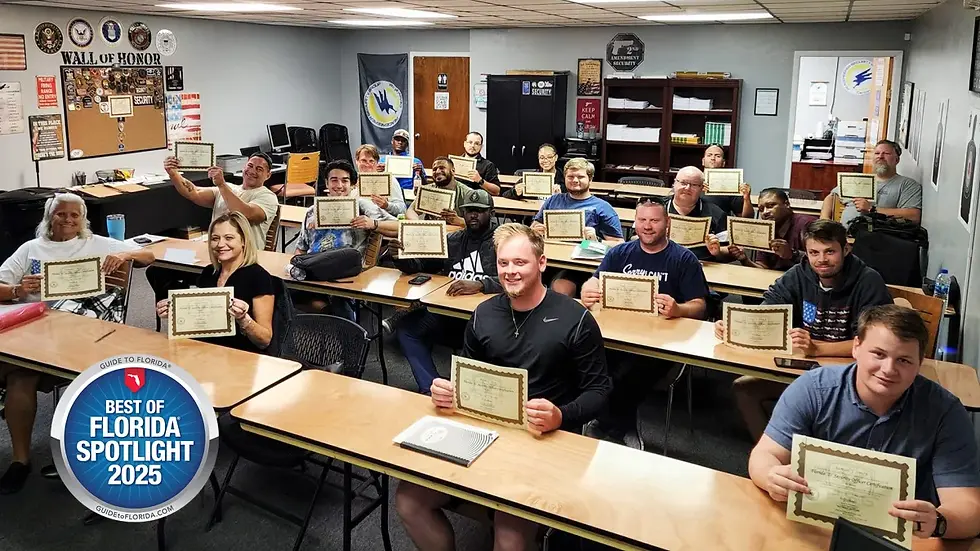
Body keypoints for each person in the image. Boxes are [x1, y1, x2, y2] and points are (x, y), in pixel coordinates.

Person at [395, 223, 612, 551]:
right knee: (409, 500)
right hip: (484, 431)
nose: (510, 272)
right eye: (503, 263)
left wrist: (560, 415)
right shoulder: (483, 313)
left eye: (520, 263)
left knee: (509, 538)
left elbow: (599, 390)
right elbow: (470, 372)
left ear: (541, 263)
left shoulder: (575, 319)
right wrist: (450, 390)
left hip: (541, 441)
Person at [749, 305, 980, 540]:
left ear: (920, 363)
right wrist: (771, 475)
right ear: (856, 347)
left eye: (904, 360)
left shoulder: (945, 412)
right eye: (878, 354)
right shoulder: (813, 389)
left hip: (902, 541)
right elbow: (763, 455)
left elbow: (969, 510)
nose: (888, 370)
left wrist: (938, 522)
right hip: (815, 529)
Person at [0, 193, 155, 494]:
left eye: (75, 215)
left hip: (84, 332)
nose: (68, 220)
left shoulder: (98, 243)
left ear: (83, 219)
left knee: (86, 377)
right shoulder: (31, 249)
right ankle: (20, 460)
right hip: (37, 332)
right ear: (49, 218)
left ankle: (81, 455)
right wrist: (17, 289)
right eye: (61, 215)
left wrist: (125, 256)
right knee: (20, 376)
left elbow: (148, 256)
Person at [716, 219, 893, 441]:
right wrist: (735, 325)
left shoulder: (868, 281)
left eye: (830, 252)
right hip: (803, 370)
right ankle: (773, 455)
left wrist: (817, 348)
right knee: (744, 389)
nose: (822, 260)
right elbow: (768, 309)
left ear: (846, 250)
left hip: (850, 376)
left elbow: (874, 343)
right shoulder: (798, 275)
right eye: (814, 252)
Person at [580, 196, 709, 442]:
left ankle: (610, 427)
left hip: (663, 342)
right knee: (588, 360)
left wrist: (678, 309)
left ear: (667, 223)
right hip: (618, 333)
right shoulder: (619, 253)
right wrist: (588, 288)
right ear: (635, 222)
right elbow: (596, 279)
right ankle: (615, 425)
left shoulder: (683, 259)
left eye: (654, 221)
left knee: (626, 375)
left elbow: (700, 307)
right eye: (642, 220)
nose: (647, 226)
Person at [390, 188, 503, 393]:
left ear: (492, 213)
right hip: (446, 312)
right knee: (408, 330)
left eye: (479, 210)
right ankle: (431, 387)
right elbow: (422, 265)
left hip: (485, 318)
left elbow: (516, 279)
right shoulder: (453, 240)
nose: (473, 215)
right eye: (469, 211)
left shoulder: (503, 242)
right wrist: (400, 258)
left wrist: (482, 284)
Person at [147, 152, 280, 302]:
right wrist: (173, 173)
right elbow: (194, 192)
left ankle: (197, 304)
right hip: (213, 256)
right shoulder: (229, 188)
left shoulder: (267, 197)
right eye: (250, 165)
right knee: (158, 271)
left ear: (268, 175)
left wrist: (222, 185)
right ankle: (183, 308)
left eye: (259, 169)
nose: (252, 171)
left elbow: (244, 213)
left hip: (241, 261)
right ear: (244, 167)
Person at [156, 212, 275, 355]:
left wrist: (244, 319)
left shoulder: (259, 277)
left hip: (240, 356)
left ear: (244, 240)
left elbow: (264, 340)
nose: (220, 244)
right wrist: (177, 314)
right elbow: (199, 325)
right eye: (215, 238)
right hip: (205, 352)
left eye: (229, 238)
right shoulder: (209, 273)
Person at [293, 160, 396, 321]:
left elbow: (399, 227)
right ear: (326, 183)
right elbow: (301, 248)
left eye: (345, 180)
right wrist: (297, 263)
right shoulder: (312, 211)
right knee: (276, 286)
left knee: (348, 256)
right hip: (314, 271)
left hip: (344, 275)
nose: (339, 185)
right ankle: (328, 311)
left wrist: (373, 224)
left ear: (353, 185)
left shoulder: (362, 206)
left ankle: (334, 314)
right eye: (334, 180)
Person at [531, 157, 624, 297]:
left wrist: (597, 240)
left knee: (561, 288)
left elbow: (619, 244)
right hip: (550, 254)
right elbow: (533, 226)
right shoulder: (553, 200)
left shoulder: (602, 208)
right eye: (570, 176)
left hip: (579, 259)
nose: (574, 180)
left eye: (580, 177)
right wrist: (535, 230)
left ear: (590, 179)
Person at [820, 140, 923, 227]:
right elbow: (831, 197)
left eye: (886, 153)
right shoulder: (858, 180)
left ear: (897, 160)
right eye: (877, 153)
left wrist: (872, 209)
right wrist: (824, 222)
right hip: (843, 238)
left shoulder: (907, 185)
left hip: (876, 240)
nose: (880, 157)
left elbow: (913, 216)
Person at [729, 188, 816, 271]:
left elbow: (822, 260)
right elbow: (763, 268)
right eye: (761, 209)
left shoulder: (808, 224)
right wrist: (744, 260)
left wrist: (792, 254)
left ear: (786, 204)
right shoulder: (765, 230)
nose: (765, 212)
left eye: (770, 206)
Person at [667, 166, 731, 262]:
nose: (687, 188)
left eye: (694, 185)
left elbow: (730, 252)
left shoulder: (716, 213)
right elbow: (636, 239)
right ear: (674, 183)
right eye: (683, 183)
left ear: (702, 188)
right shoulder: (655, 208)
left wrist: (717, 252)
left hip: (703, 265)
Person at [399, 157, 467, 227]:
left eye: (442, 168)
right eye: (434, 169)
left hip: (457, 232)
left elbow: (477, 222)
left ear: (453, 171)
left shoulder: (466, 192)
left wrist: (459, 220)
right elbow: (411, 211)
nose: (437, 171)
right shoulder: (428, 189)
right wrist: (418, 224)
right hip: (431, 230)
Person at [700, 144, 754, 218]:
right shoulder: (693, 180)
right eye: (709, 155)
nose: (713, 158)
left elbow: (747, 218)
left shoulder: (731, 184)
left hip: (720, 227)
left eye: (717, 156)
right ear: (703, 161)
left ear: (723, 163)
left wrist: (746, 198)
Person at [354, 143, 406, 217]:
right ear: (357, 161)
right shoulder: (350, 181)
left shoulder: (388, 180)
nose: (367, 164)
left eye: (371, 161)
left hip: (383, 224)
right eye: (363, 161)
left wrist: (387, 205)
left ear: (377, 163)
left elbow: (402, 209)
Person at [458, 131, 501, 196]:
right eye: (470, 142)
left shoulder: (488, 165)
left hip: (477, 200)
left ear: (481, 147)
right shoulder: (454, 162)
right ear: (465, 144)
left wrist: (480, 180)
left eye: (477, 143)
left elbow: (497, 191)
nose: (472, 146)